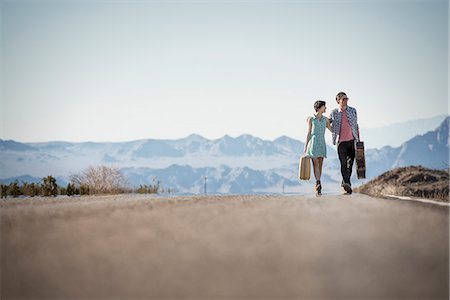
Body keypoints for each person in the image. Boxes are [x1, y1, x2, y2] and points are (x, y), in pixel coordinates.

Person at [330, 92, 360, 195]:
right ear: (338, 101)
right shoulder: (334, 113)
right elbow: (329, 124)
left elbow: (356, 126)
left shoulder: (353, 111)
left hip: (352, 141)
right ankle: (347, 183)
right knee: (343, 164)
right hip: (341, 142)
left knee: (350, 164)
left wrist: (358, 140)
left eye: (347, 99)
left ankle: (345, 183)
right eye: (343, 99)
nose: (346, 100)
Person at [304, 100, 332, 196]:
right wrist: (305, 147)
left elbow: (331, 130)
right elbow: (308, 133)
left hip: (322, 143)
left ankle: (318, 182)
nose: (326, 108)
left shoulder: (326, 120)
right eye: (324, 106)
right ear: (320, 108)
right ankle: (318, 183)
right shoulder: (311, 119)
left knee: (320, 165)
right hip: (313, 143)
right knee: (315, 164)